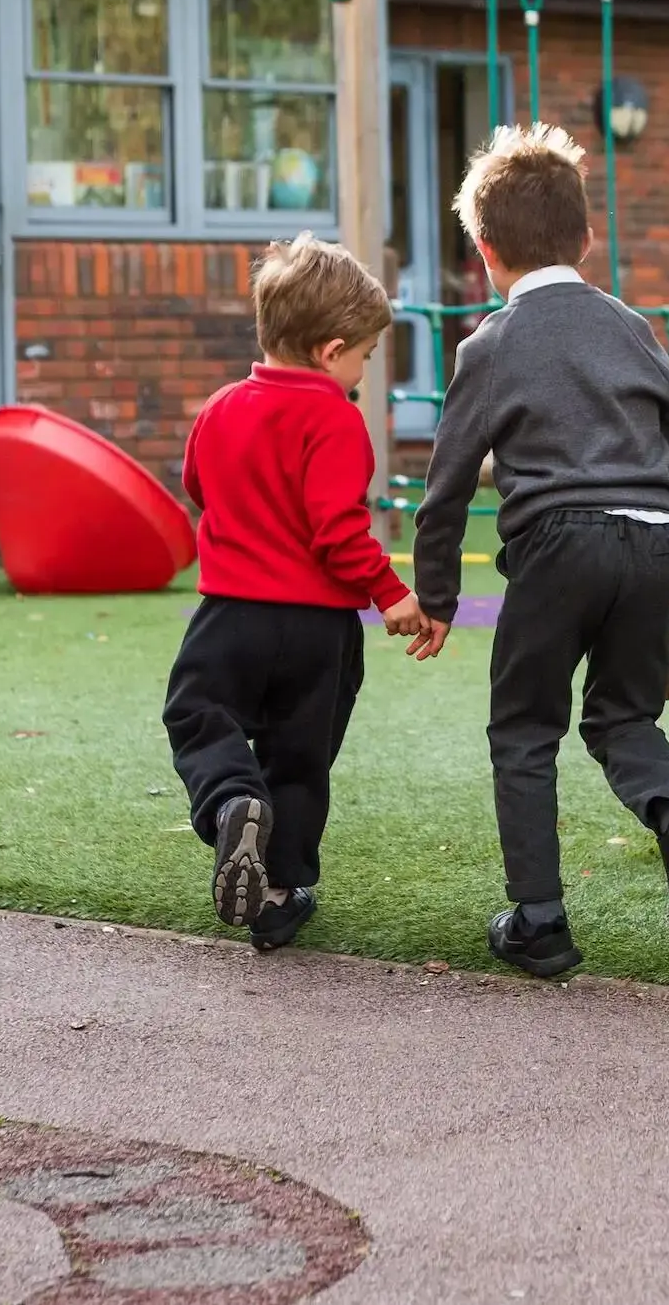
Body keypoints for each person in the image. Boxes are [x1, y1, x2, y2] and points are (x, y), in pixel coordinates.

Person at [410, 122, 669, 979]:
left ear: (485, 251)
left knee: (525, 727)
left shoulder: (490, 345)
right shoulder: (630, 326)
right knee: (624, 716)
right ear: (588, 239)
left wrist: (436, 595)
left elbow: (444, 489)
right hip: (654, 541)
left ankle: (539, 921)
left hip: (558, 542)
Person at [162, 236, 430, 953]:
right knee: (300, 756)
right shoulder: (336, 420)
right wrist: (391, 594)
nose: (362, 374)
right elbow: (338, 531)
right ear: (329, 350)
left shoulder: (221, 408)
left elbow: (197, 487)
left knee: (198, 713)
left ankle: (230, 805)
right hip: (318, 632)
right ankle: (279, 894)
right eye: (363, 359)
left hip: (231, 616)